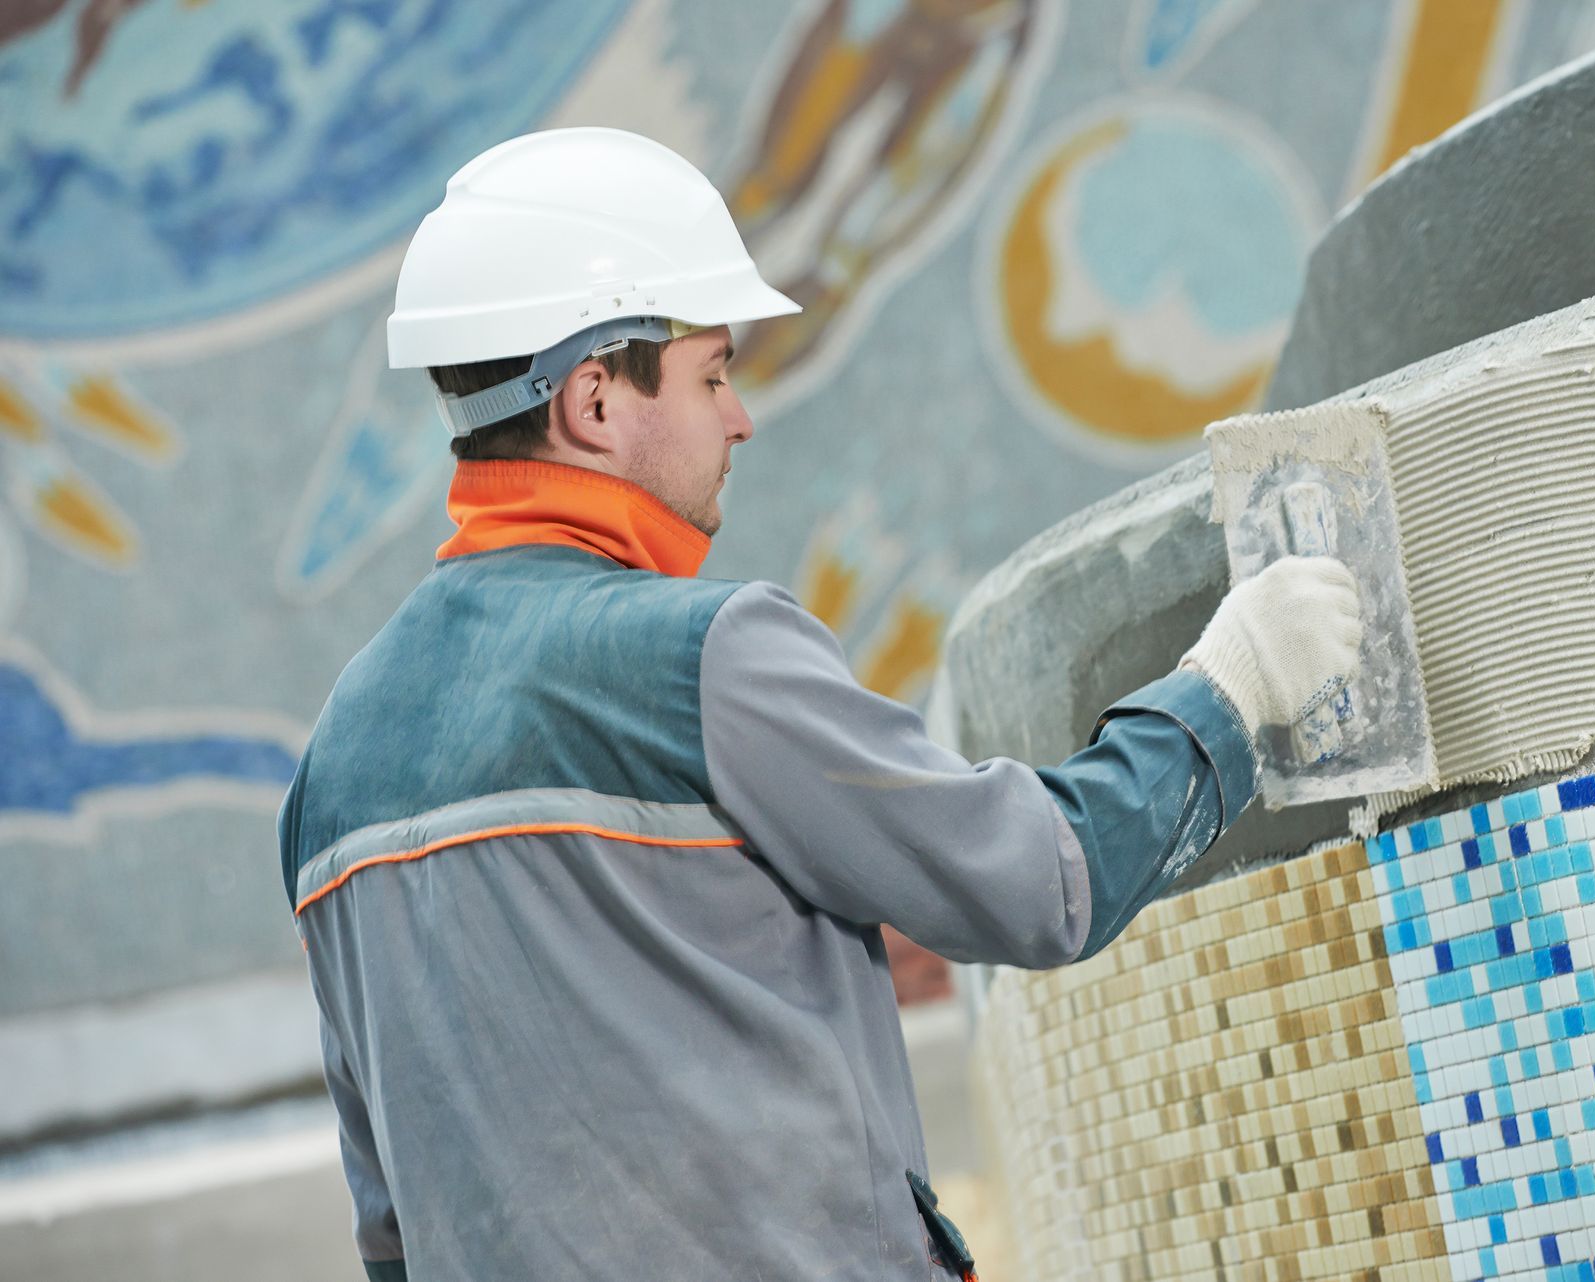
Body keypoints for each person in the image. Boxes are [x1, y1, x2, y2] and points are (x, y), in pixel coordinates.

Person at [278, 127, 1362, 1281]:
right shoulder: (704, 656)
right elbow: (1046, 880)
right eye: (711, 373)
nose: (738, 417)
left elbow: (396, 1220)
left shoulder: (335, 765)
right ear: (594, 399)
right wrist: (1234, 688)